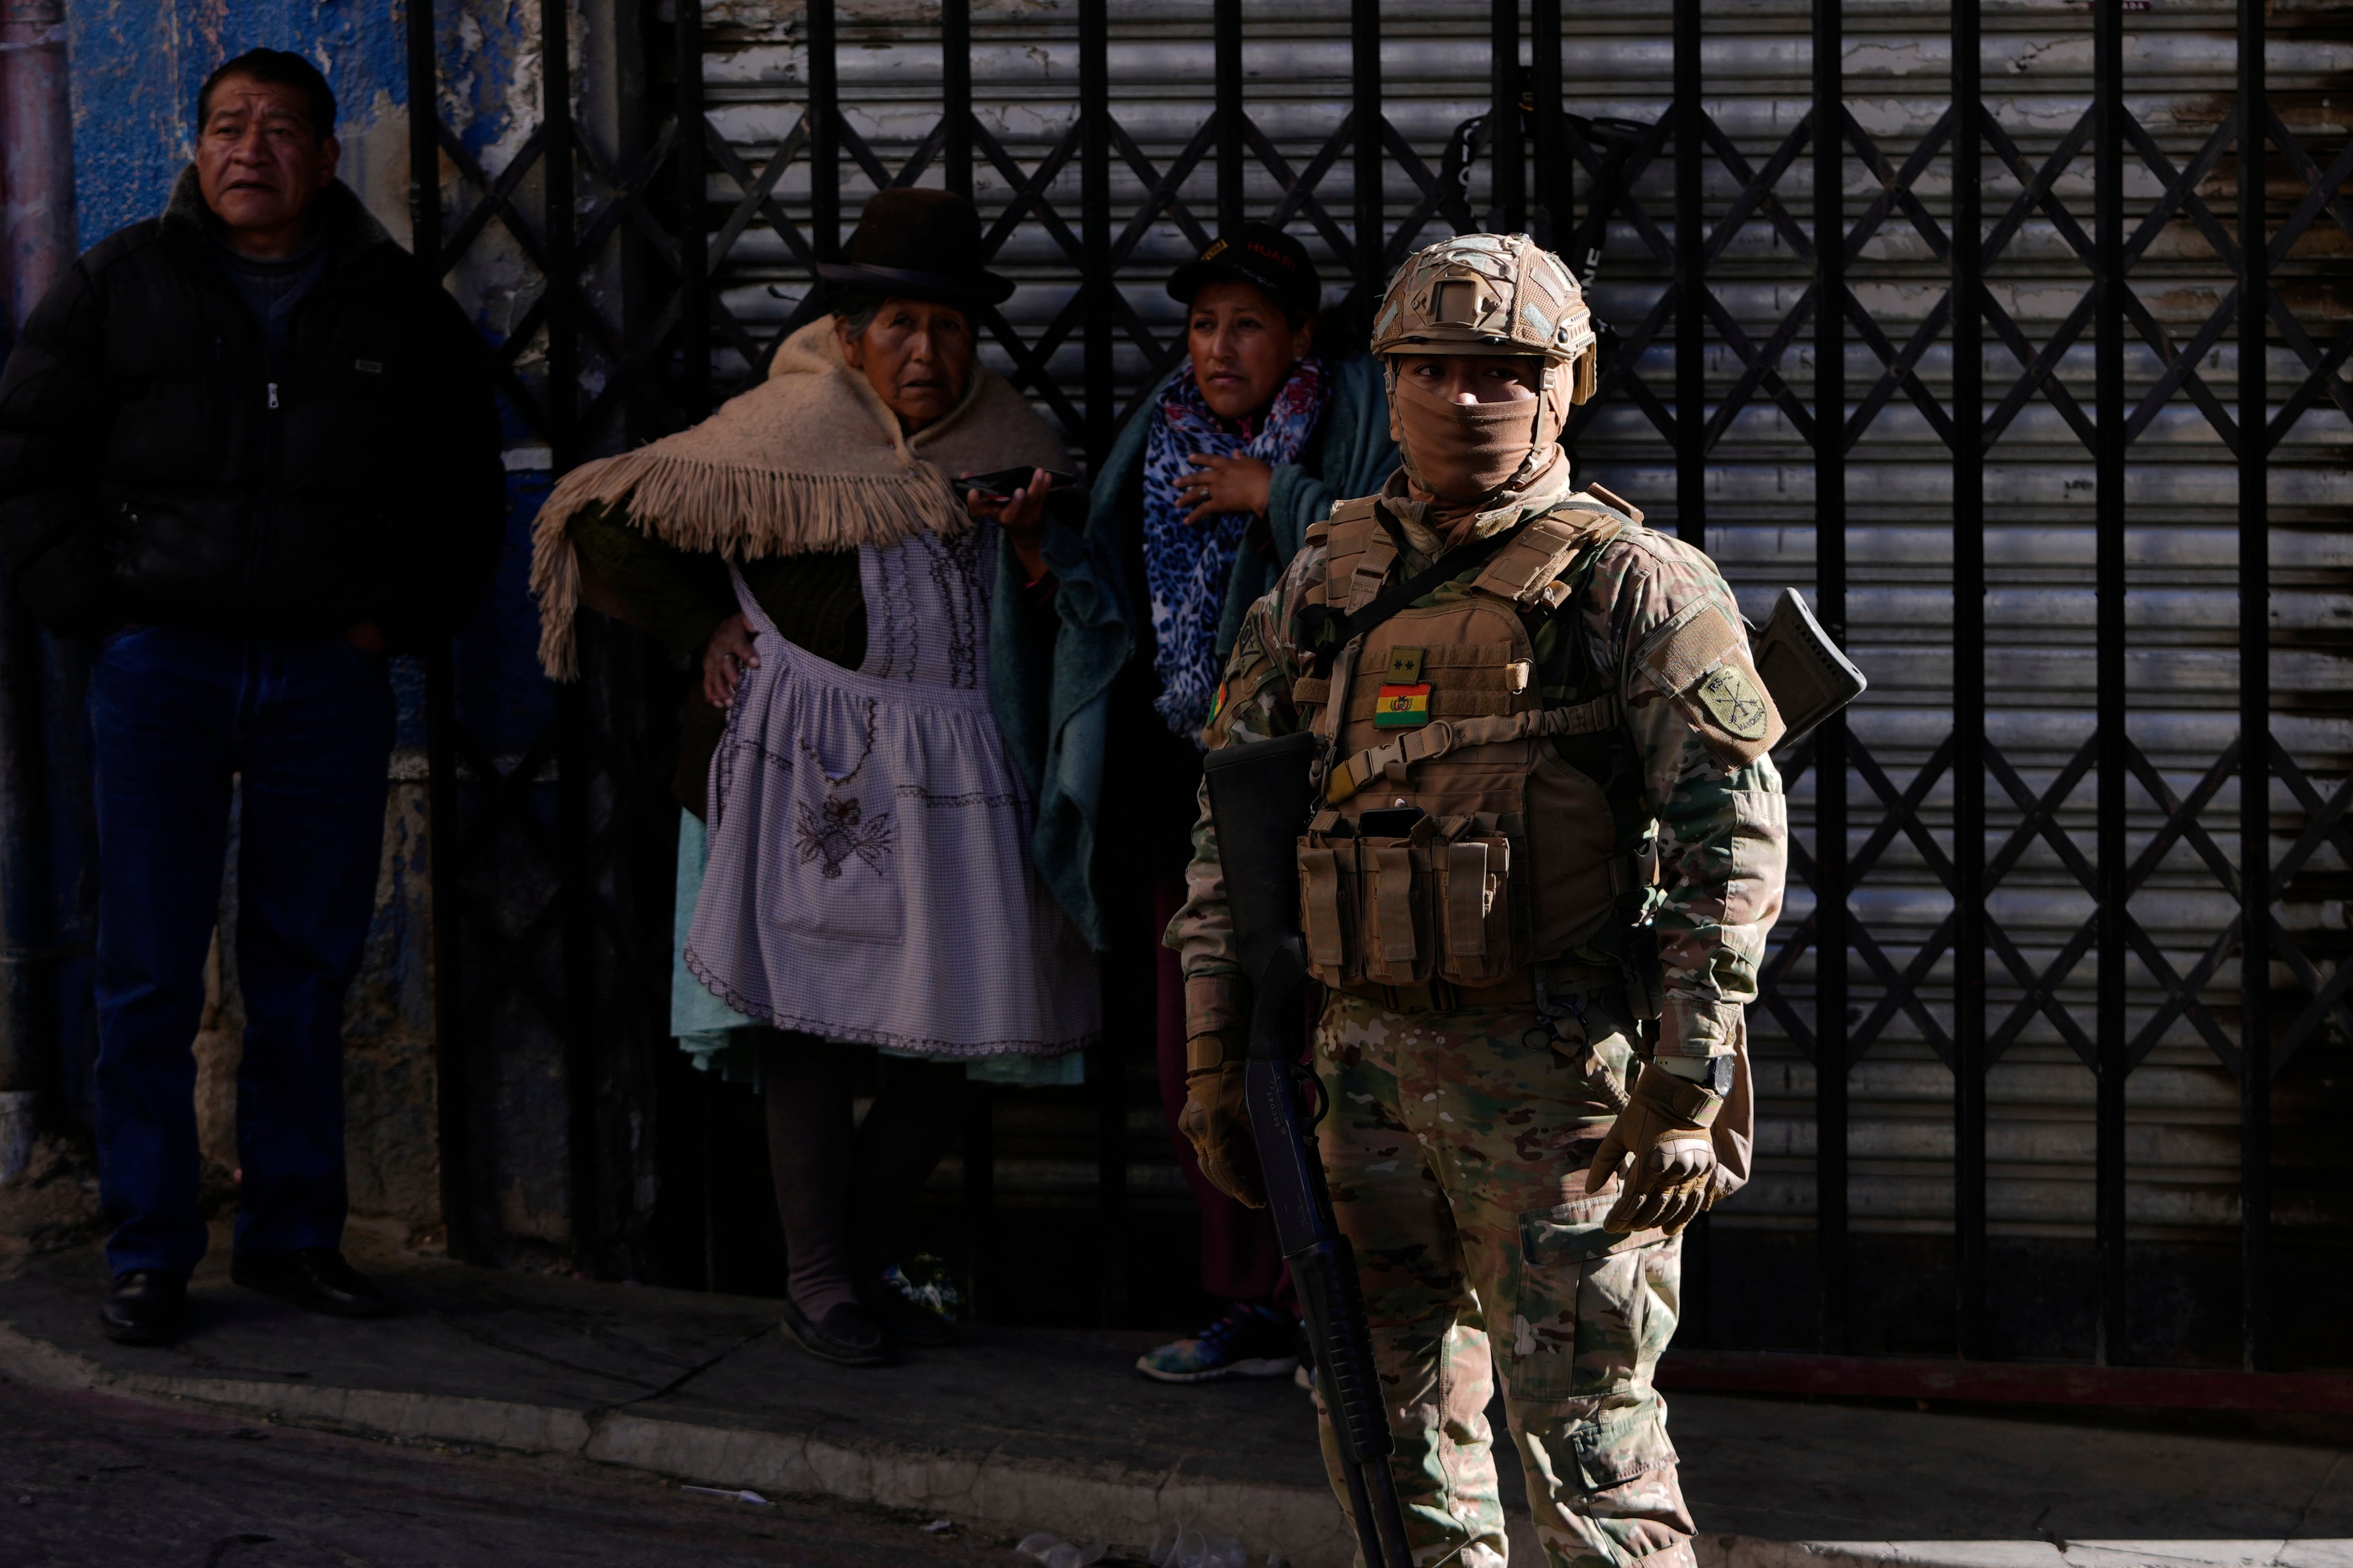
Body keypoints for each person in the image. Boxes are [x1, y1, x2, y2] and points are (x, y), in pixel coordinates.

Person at [1167, 233, 1787, 1567]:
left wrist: (1684, 1085)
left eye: (1503, 370)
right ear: (1387, 386)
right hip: (1361, 1073)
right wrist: (1220, 1056)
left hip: (1561, 1080)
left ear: (1568, 385)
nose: (1464, 398)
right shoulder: (1324, 581)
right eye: (1431, 368)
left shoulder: (1633, 582)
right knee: (1385, 1436)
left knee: (1590, 1448)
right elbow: (1230, 838)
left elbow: (1728, 841)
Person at [530, 188, 1102, 1368]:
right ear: (849, 338)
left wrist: (1042, 552)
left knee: (956, 1033)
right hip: (808, 767)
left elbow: (1074, 604)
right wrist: (702, 628)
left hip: (955, 775)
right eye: (898, 325)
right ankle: (821, 1279)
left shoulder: (1014, 445)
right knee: (807, 1023)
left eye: (948, 327)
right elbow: (600, 518)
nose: (926, 352)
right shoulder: (778, 433)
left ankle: (857, 1251)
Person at [0, 50, 506, 1346]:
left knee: (301, 969)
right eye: (227, 126)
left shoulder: (391, 305)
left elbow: (461, 488)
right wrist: (96, 610)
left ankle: (291, 1239)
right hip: (158, 669)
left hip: (324, 675)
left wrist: (385, 625)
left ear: (327, 158)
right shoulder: (122, 284)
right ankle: (150, 1249)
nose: (250, 151)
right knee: (146, 971)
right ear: (197, 143)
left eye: (282, 131)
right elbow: (28, 458)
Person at [1041, 224, 1398, 1384]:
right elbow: (1113, 601)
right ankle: (1247, 1296)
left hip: (1307, 792)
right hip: (1183, 792)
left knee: (1313, 1049)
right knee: (1198, 1055)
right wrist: (1043, 554)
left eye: (1248, 323)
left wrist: (1276, 494)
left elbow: (1390, 563)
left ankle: (1331, 1299)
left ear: (1299, 336)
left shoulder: (1354, 423)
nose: (1218, 346)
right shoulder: (1160, 434)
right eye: (1203, 323)